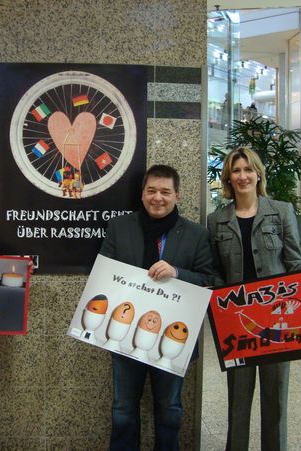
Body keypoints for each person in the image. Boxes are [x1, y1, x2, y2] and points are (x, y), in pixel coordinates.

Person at [207, 147, 301, 451]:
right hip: (239, 326)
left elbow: (295, 265)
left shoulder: (281, 211)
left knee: (275, 398)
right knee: (237, 401)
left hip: (280, 322)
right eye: (236, 170)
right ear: (228, 177)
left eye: (248, 170)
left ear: (258, 174)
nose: (243, 176)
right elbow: (213, 272)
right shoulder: (217, 220)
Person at [100, 164, 214, 451]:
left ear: (177, 195)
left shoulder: (196, 234)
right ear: (142, 195)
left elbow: (210, 281)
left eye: (165, 191)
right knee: (123, 409)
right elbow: (102, 273)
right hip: (124, 334)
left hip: (173, 339)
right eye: (151, 191)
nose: (157, 198)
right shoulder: (120, 227)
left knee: (170, 409)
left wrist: (177, 273)